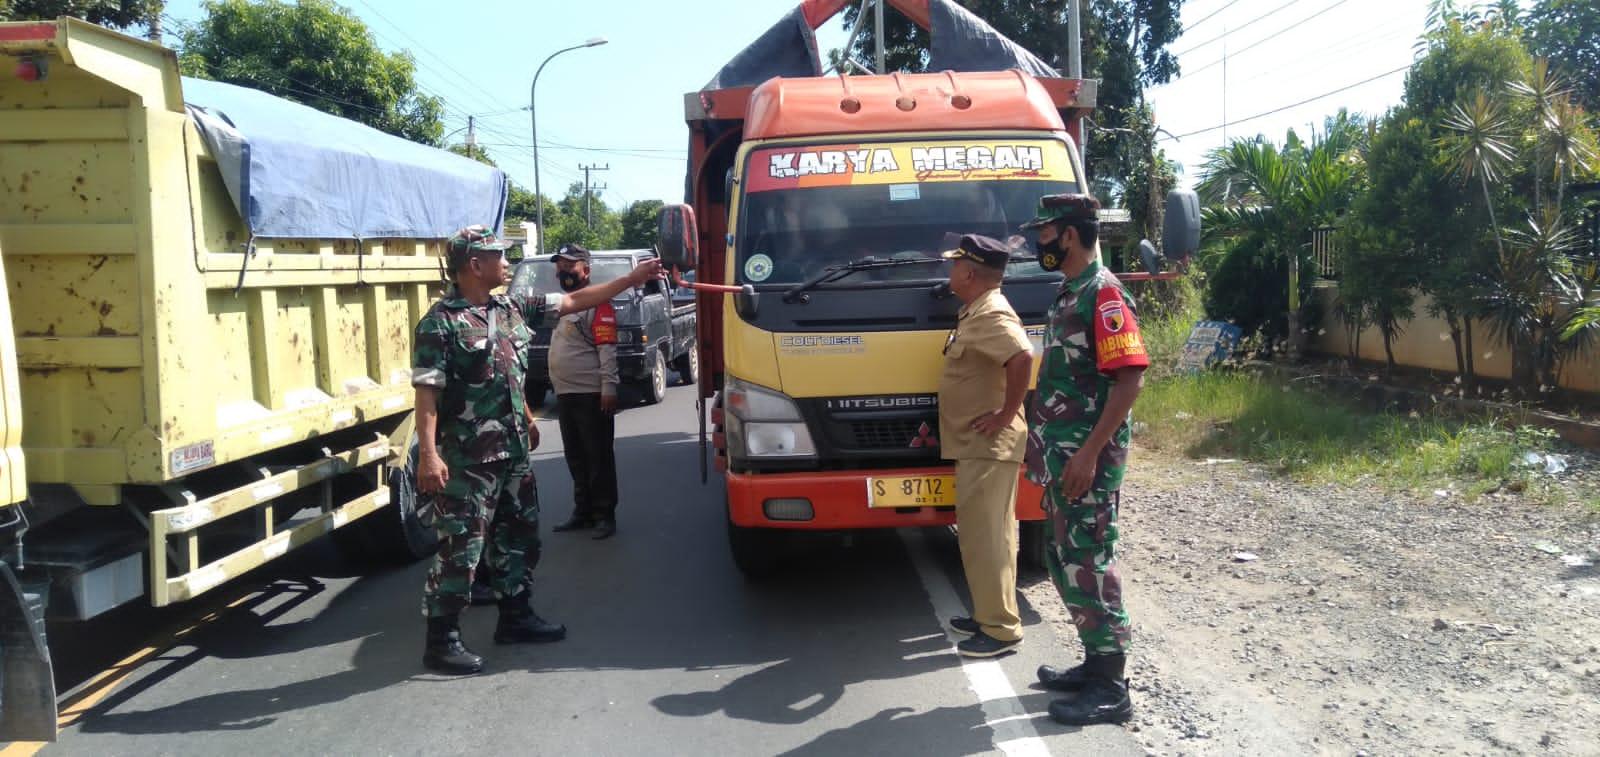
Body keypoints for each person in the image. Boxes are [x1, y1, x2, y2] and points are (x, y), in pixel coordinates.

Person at [411, 225, 661, 675]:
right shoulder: (440, 324)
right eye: (498, 255)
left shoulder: (510, 307)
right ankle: (442, 640)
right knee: (462, 550)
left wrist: (629, 280)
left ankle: (516, 617)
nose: (506, 262)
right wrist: (429, 456)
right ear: (474, 265)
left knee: (518, 540)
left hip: (513, 453)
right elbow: (427, 394)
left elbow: (571, 303)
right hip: (469, 461)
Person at [1019, 194, 1149, 725]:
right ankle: (1095, 664)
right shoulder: (1070, 291)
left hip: (1085, 459)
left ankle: (1112, 688)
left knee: (1090, 561)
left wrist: (1090, 455)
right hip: (1063, 453)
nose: (1039, 243)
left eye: (1045, 233)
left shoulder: (1105, 294)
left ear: (1069, 235)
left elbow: (1130, 380)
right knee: (1064, 557)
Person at [937, 234, 1036, 658]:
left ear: (970, 272)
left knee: (988, 538)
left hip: (989, 444)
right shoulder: (976, 310)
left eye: (955, 264)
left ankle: (999, 631)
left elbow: (1023, 357)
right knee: (986, 536)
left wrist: (1004, 413)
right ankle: (987, 614)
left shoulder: (992, 313)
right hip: (978, 445)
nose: (950, 270)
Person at [546, 243, 623, 540]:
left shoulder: (598, 304)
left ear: (586, 270)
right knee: (575, 456)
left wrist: (608, 387)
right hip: (566, 394)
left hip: (591, 394)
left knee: (598, 457)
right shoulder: (564, 304)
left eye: (569, 266)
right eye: (560, 266)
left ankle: (605, 515)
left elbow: (607, 350)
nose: (563, 271)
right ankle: (583, 511)